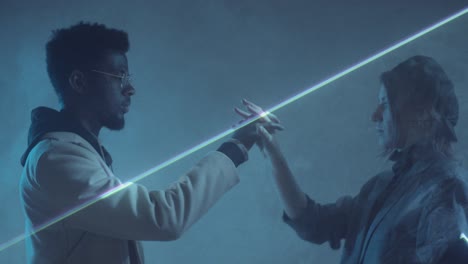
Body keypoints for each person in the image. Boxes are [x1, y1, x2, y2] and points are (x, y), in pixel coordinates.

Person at [19, 22, 281, 264]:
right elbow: (160, 218)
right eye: (119, 76)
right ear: (79, 81)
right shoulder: (56, 158)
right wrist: (236, 147)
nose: (130, 88)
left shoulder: (73, 152)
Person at [237, 56, 468, 263]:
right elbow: (313, 223)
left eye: (385, 104)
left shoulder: (447, 187)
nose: (375, 116)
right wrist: (273, 153)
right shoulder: (380, 187)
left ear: (420, 111)